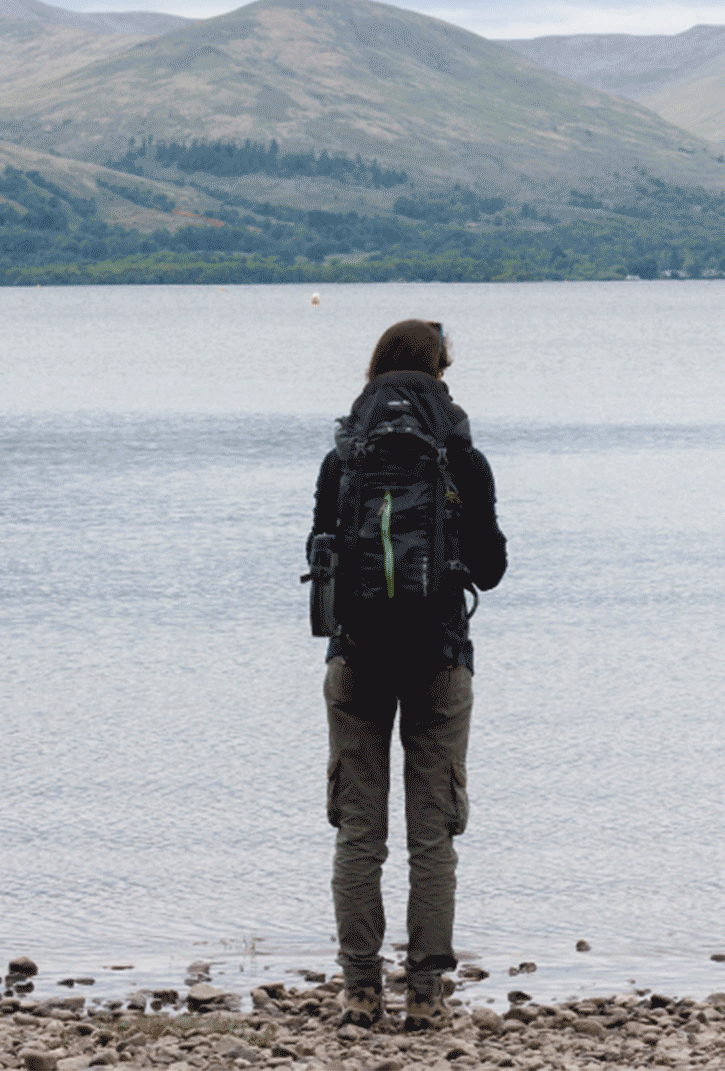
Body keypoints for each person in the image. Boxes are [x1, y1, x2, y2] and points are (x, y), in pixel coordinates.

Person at [310, 319, 508, 1032]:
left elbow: (320, 555)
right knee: (433, 837)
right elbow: (489, 569)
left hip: (356, 655)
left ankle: (360, 995)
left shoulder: (344, 458)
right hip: (440, 657)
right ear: (441, 375)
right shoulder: (463, 459)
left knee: (359, 831)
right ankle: (426, 998)